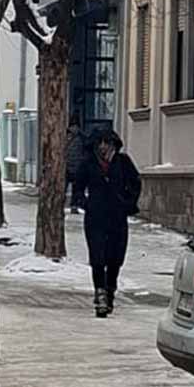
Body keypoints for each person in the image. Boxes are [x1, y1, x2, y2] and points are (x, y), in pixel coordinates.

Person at [79, 127, 143, 318]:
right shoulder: (89, 163)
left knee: (115, 258)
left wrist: (127, 203)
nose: (103, 147)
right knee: (97, 257)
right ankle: (100, 294)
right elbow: (78, 187)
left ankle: (110, 291)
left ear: (113, 144)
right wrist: (85, 203)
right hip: (95, 218)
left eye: (107, 142)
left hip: (117, 217)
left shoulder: (123, 162)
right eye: (100, 143)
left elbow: (135, 183)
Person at [65, 120, 89, 213]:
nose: (74, 129)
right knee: (64, 187)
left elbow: (86, 151)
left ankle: (74, 205)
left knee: (76, 188)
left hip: (77, 167)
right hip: (67, 167)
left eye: (75, 126)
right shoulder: (66, 136)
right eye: (72, 126)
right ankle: (64, 204)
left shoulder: (82, 138)